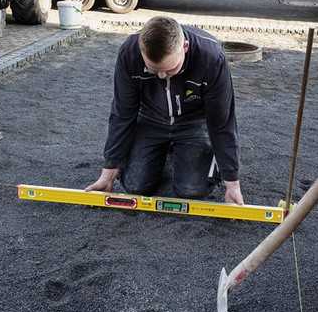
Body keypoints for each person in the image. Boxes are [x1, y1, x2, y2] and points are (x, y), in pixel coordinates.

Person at [86, 16, 244, 205]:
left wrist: (232, 183)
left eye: (170, 69)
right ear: (140, 49)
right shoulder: (129, 53)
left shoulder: (211, 57)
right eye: (153, 70)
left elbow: (222, 122)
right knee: (135, 186)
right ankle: (164, 151)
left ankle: (191, 152)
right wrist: (108, 173)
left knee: (192, 190)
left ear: (185, 47)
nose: (161, 76)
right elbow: (122, 114)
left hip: (193, 121)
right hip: (151, 118)